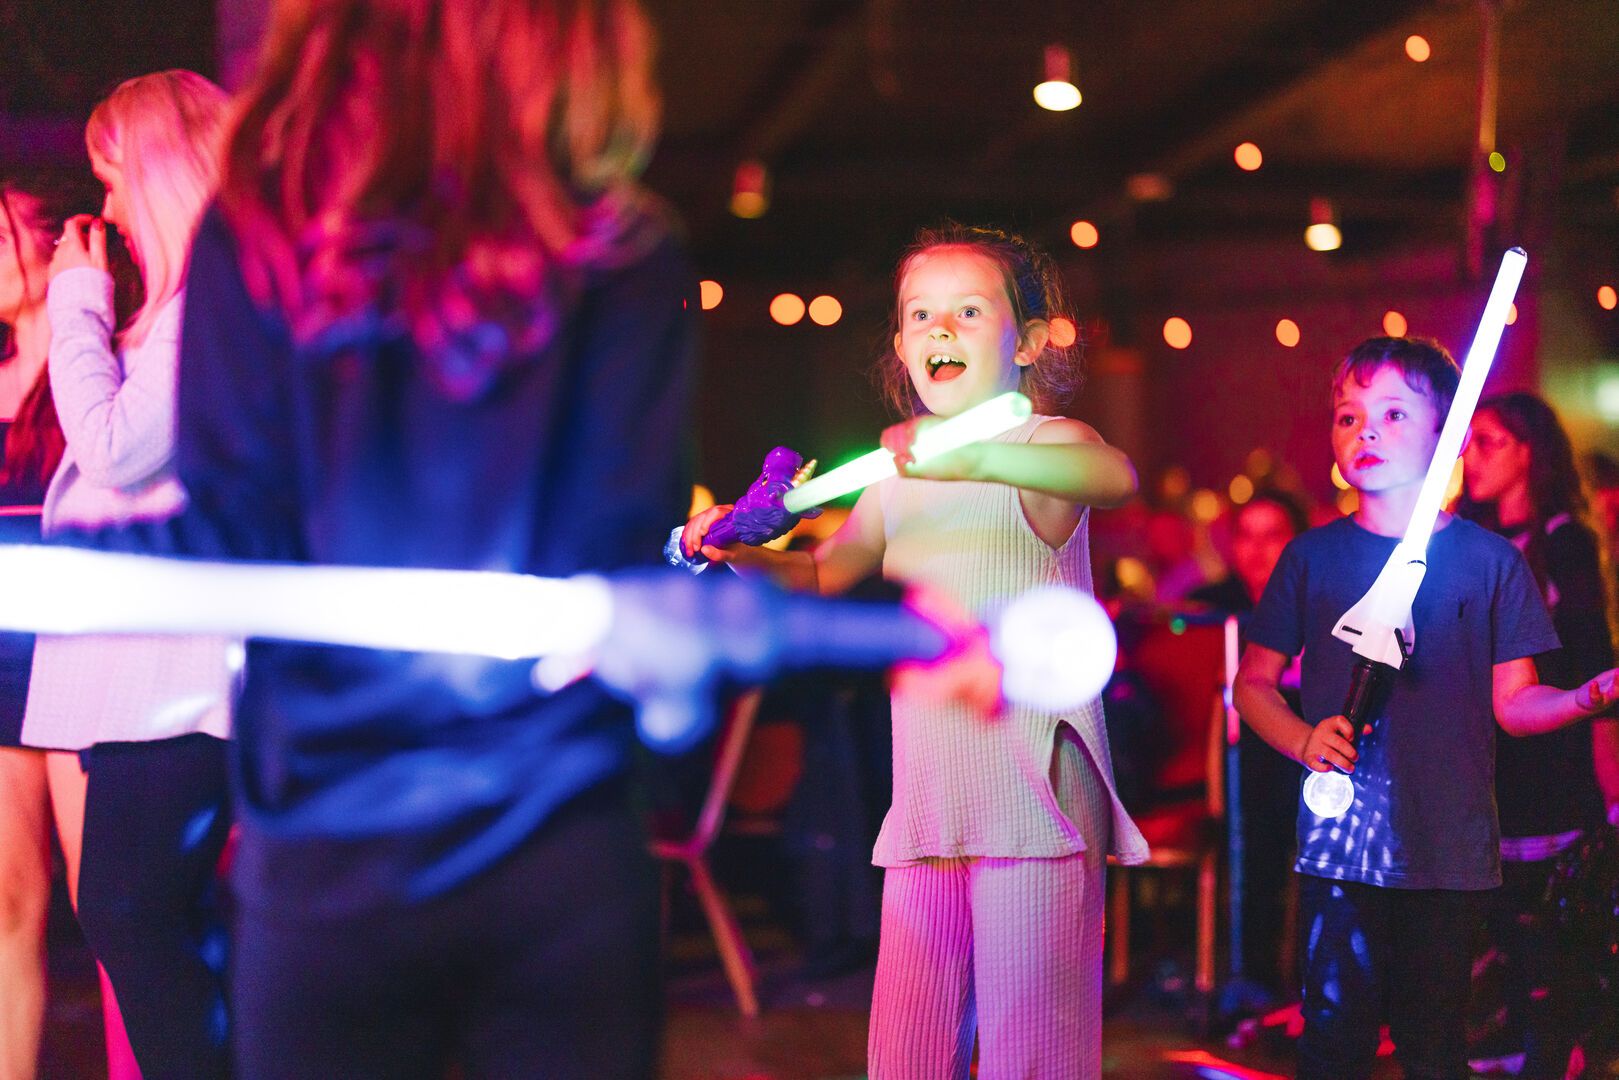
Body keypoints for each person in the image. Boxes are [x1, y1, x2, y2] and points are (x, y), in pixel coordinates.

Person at [66, 3, 693, 1076]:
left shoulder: (258, 239)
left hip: (331, 828)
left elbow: (233, 531)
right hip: (551, 828)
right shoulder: (621, 244)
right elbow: (617, 557)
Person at [683, 222, 1149, 1080]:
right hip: (931, 795)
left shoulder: (1042, 446)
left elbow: (1113, 477)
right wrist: (733, 551)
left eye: (968, 311)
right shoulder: (896, 477)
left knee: (1031, 1050)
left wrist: (973, 456)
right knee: (907, 1049)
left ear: (1029, 342)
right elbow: (825, 578)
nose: (940, 329)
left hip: (1032, 795)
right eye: (920, 315)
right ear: (900, 346)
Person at [1234, 336, 1619, 1080]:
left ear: (1444, 436)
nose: (1364, 432)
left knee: (1437, 1046)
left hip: (1450, 850)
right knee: (1334, 1043)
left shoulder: (1489, 560)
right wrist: (1302, 739)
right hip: (1341, 848)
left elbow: (1513, 704)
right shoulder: (1310, 557)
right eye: (1347, 418)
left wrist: (1582, 698)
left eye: (1391, 413)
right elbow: (1253, 683)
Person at [22, 71, 236, 1079]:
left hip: (180, 683)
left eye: (113, 179)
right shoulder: (179, 313)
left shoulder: (212, 311)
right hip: (139, 680)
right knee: (138, 919)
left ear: (156, 171)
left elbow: (111, 450)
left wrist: (74, 301)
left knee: (131, 913)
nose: (104, 210)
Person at [0, 167, 142, 1080]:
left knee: (117, 910)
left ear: (47, 239)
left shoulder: (100, 347)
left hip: (82, 649)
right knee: (8, 906)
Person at [1457, 391, 1619, 1075]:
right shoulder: (1473, 539)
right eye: (1468, 442)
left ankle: (1559, 1047)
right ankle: (1515, 1034)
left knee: (1554, 923)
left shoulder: (1562, 540)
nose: (1470, 457)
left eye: (1489, 441)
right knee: (1502, 919)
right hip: (1490, 763)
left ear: (1529, 451)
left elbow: (1592, 662)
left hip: (1550, 754)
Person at [1188, 489, 1309, 1002]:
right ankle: (1251, 978)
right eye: (1246, 537)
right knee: (1249, 847)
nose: (1258, 551)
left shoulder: (1317, 602)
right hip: (1239, 760)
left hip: (1302, 750)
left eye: (1273, 537)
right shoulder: (1217, 605)